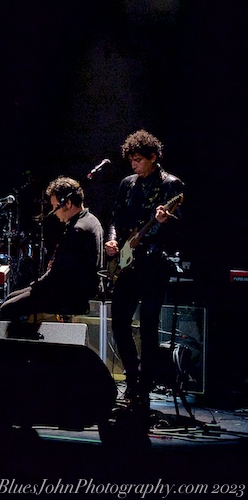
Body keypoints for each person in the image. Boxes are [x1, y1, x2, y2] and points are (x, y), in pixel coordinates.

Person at [105, 129, 184, 412]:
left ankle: (145, 387)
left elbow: (181, 230)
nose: (133, 165)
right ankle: (132, 376)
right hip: (127, 263)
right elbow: (114, 217)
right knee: (119, 323)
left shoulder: (171, 185)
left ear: (153, 157)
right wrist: (112, 239)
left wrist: (165, 221)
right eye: (131, 160)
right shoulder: (127, 184)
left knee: (148, 328)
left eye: (138, 160)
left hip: (153, 265)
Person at [0, 176, 103, 320]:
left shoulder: (77, 229)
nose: (54, 212)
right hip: (77, 288)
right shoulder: (91, 220)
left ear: (68, 203)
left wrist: (36, 286)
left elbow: (58, 275)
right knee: (12, 298)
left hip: (72, 294)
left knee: (8, 308)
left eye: (55, 207)